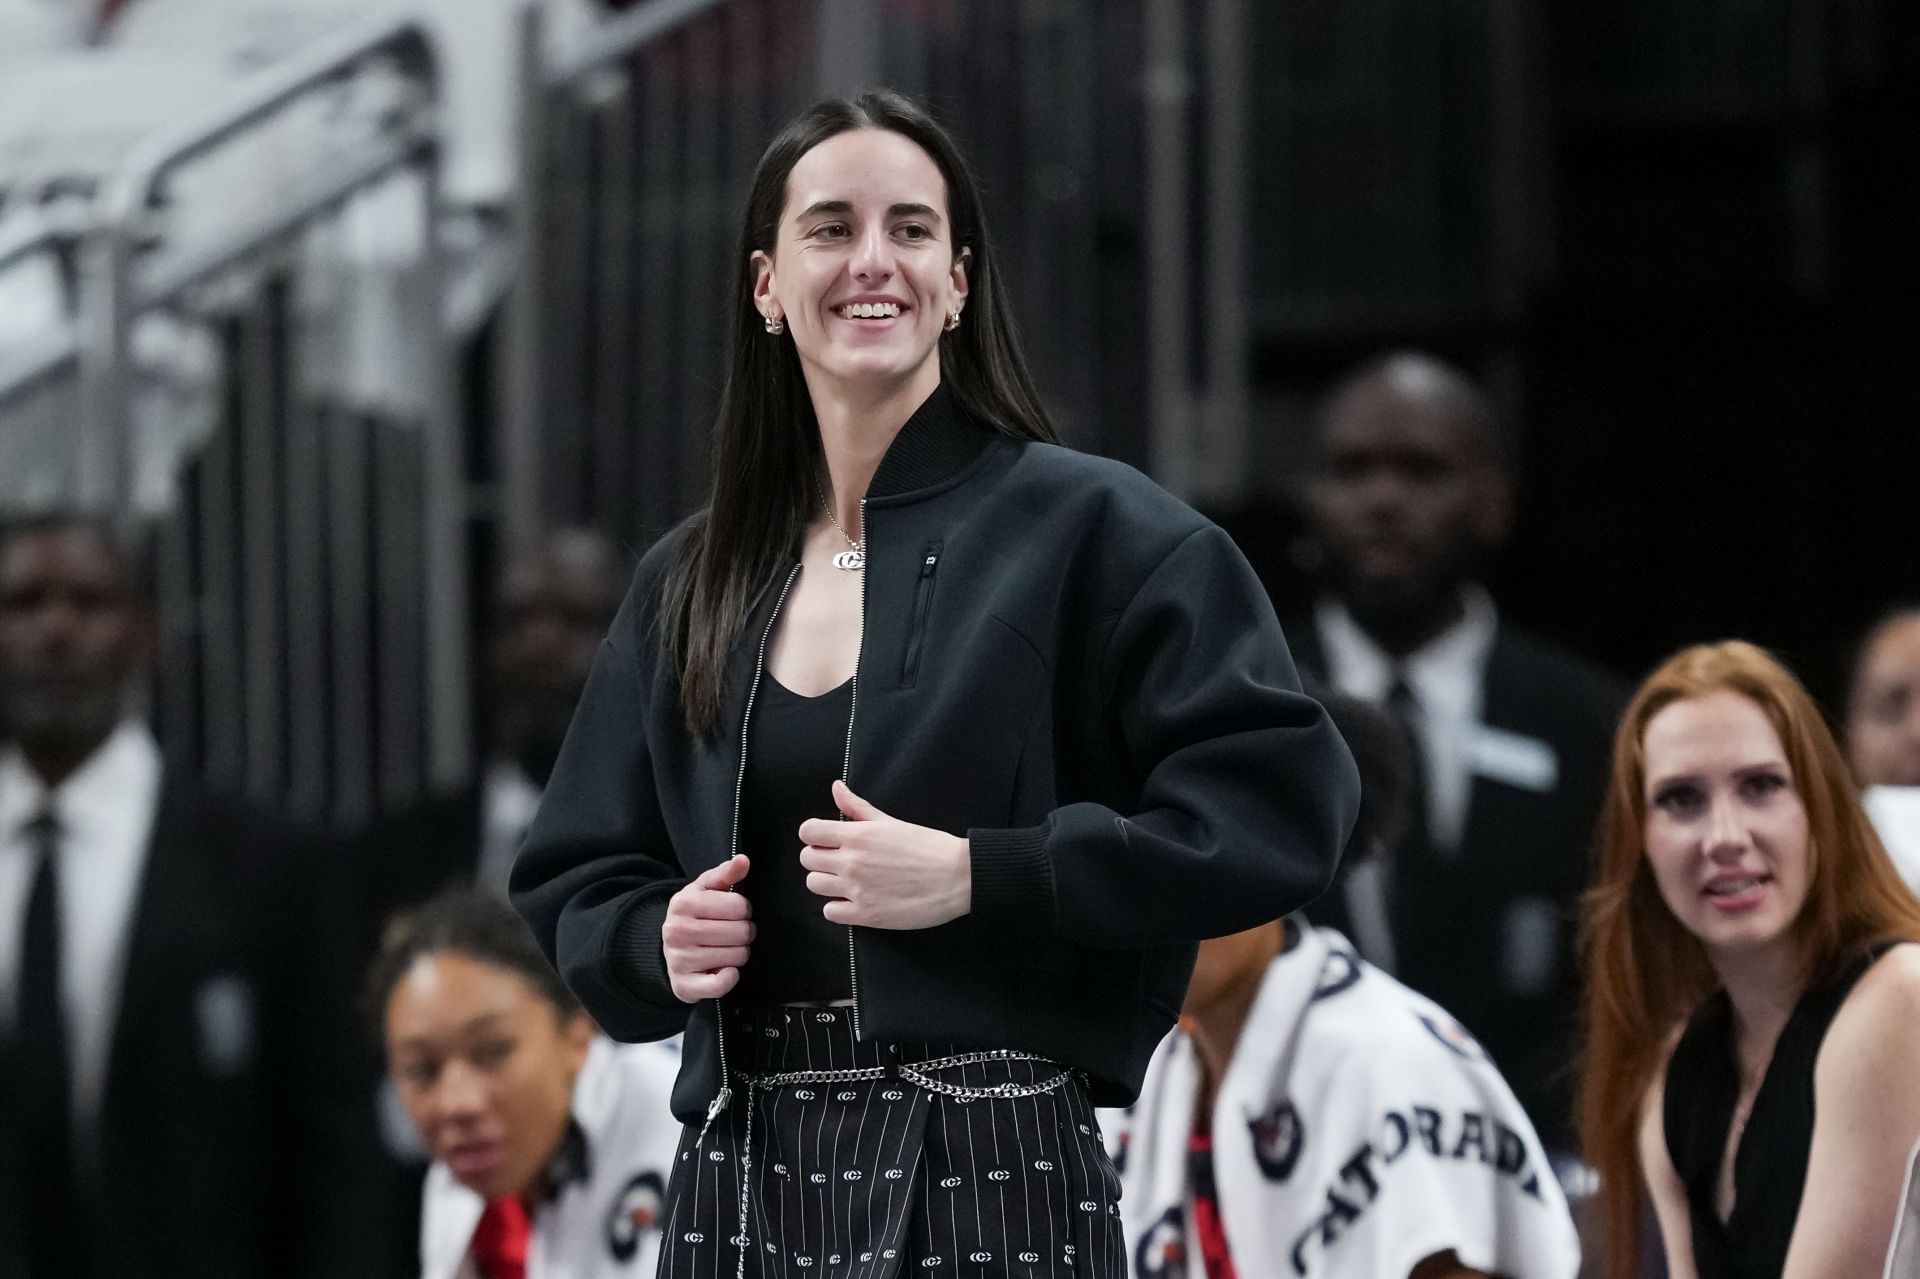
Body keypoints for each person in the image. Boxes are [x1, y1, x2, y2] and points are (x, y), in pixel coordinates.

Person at [511, 89, 1359, 1279]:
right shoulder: (689, 576)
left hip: (998, 1154)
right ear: (766, 284)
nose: (874, 261)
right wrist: (653, 936)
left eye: (912, 230)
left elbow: (1283, 805)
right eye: (831, 228)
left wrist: (983, 872)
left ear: (960, 282)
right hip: (743, 1159)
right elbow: (574, 870)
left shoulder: (1101, 529)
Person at [0, 512, 383, 1277]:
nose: (55, 630)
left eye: (87, 602)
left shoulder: (270, 865)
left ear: (144, 635)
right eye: (23, 602)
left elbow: (336, 1154)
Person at [1108, 691, 1579, 1279]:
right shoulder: (1142, 1069)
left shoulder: (1395, 1067)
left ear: (1278, 861)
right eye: (1125, 867)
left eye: (1187, 861)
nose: (1152, 913)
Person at [1287, 349, 1626, 1151]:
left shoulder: (1594, 722)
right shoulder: (1230, 704)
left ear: (1495, 501)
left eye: (1422, 470)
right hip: (1288, 1170)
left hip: (1536, 1169)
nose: (1382, 499)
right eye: (1351, 469)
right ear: (1310, 498)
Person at [1579, 640, 1920, 1279]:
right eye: (1682, 799)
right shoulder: (1677, 1073)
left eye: (1761, 786)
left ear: (1821, 809)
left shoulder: (1899, 998)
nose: (1727, 838)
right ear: (1640, 844)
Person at [373, 887, 681, 1279]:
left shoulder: (686, 1125)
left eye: (493, 1051)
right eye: (422, 1070)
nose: (455, 1104)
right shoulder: (455, 1186)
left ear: (578, 1031)